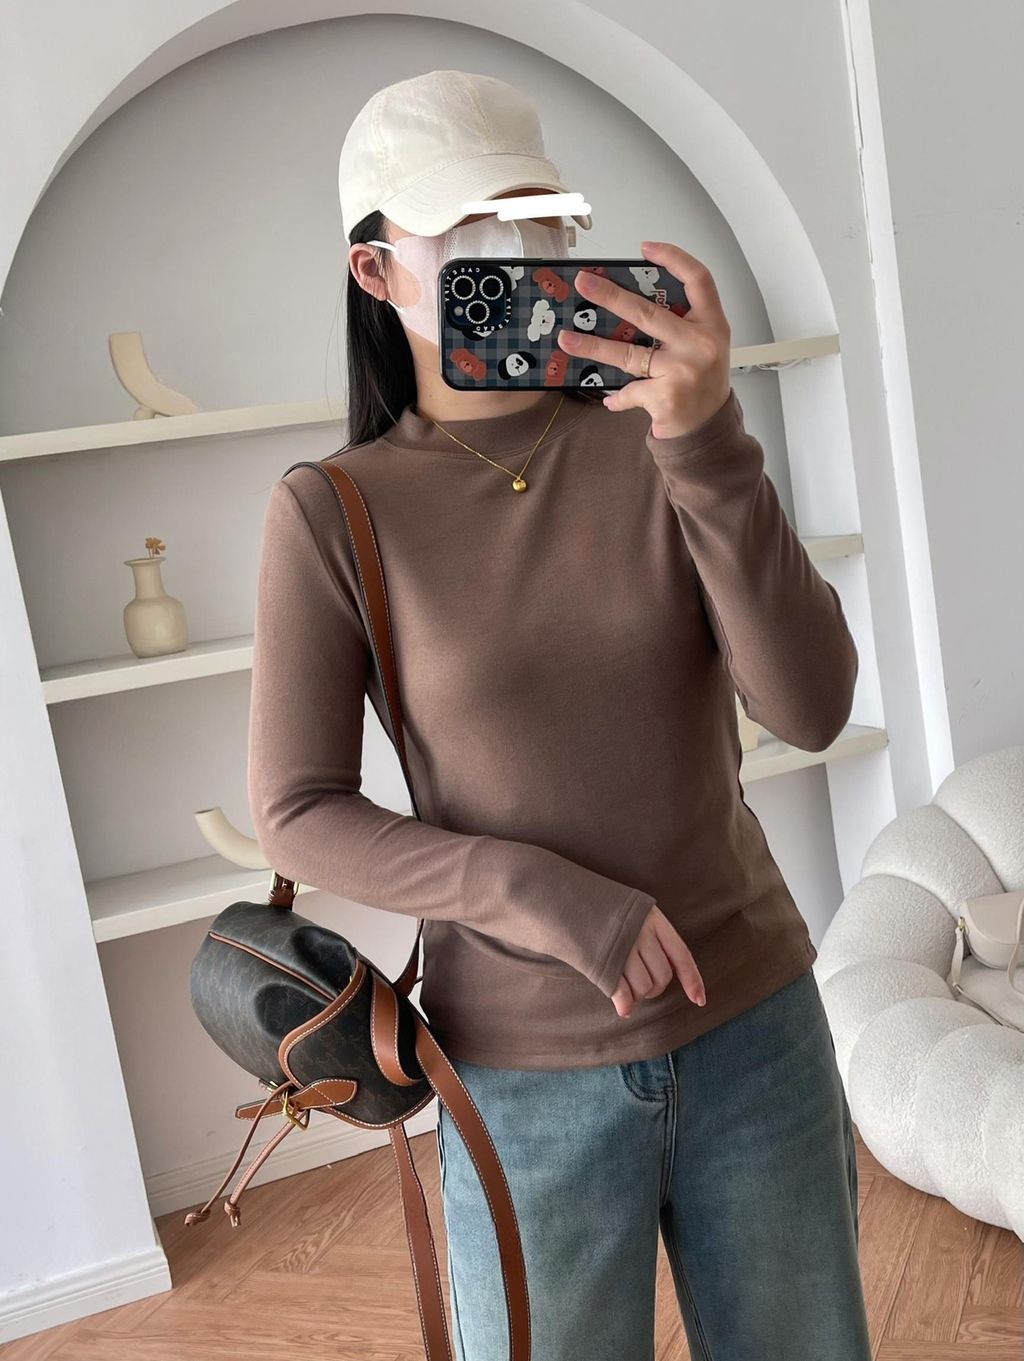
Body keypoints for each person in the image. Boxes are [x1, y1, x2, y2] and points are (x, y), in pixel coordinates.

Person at [247, 68, 872, 1361]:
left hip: (757, 1026)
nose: (512, 251)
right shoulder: (333, 510)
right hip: (521, 1082)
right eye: (466, 228)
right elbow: (297, 811)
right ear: (376, 273)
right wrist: (538, 893)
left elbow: (811, 707)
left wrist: (707, 441)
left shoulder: (659, 436)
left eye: (533, 219)